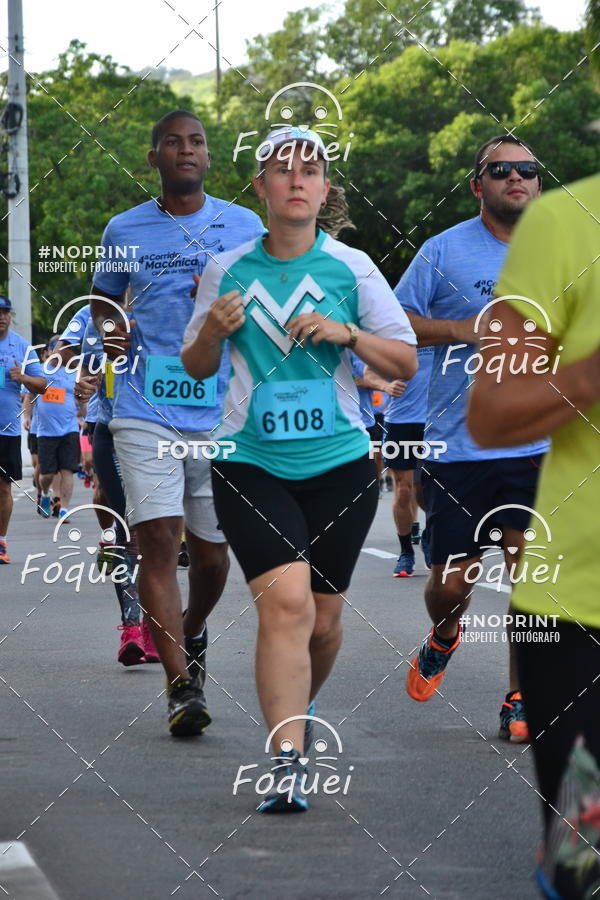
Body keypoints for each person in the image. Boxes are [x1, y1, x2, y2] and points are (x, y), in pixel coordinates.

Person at [182, 127, 417, 811]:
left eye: (309, 170)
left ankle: (297, 709)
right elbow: (195, 368)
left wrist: (349, 334)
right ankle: (286, 759)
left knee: (320, 621)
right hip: (249, 462)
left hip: (341, 465)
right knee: (284, 605)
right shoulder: (228, 269)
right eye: (281, 170)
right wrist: (210, 335)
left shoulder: (353, 268)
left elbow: (402, 361)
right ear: (259, 187)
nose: (295, 179)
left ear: (323, 189)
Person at [90, 110, 264, 736]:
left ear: (208, 157)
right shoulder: (124, 229)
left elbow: (269, 301)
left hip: (221, 409)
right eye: (172, 141)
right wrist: (114, 346)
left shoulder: (244, 224)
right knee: (158, 541)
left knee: (213, 560)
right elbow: (104, 302)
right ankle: (180, 686)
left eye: (196, 142)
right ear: (154, 156)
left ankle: (192, 631)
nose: (185, 150)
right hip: (144, 407)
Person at [467, 172, 600, 898]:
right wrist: (586, 377)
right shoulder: (565, 223)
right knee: (584, 868)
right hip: (579, 608)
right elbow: (490, 411)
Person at [401, 135, 549, 744]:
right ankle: (445, 632)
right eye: (501, 170)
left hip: (539, 445)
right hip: (458, 447)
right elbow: (397, 322)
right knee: (453, 580)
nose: (516, 177)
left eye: (527, 170)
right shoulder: (443, 251)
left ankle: (520, 696)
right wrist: (462, 328)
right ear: (477, 184)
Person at [0, 296, 47, 561]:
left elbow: (42, 385)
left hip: (6, 429)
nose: (2, 316)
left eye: (6, 312)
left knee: (3, 488)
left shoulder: (21, 346)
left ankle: (1, 542)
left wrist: (22, 378)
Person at [383, 344, 433, 576]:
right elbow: (369, 370)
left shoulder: (443, 326)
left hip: (435, 419)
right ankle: (406, 553)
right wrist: (384, 385)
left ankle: (429, 535)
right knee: (403, 490)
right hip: (400, 422)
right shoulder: (396, 331)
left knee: (427, 489)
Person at [36, 337, 86, 519]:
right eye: (58, 349)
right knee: (47, 474)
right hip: (46, 431)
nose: (63, 353)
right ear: (50, 352)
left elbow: (82, 405)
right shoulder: (40, 372)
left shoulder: (74, 374)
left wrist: (83, 405)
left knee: (67, 470)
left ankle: (64, 508)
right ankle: (45, 494)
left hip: (69, 429)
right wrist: (26, 416)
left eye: (68, 350)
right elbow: (28, 396)